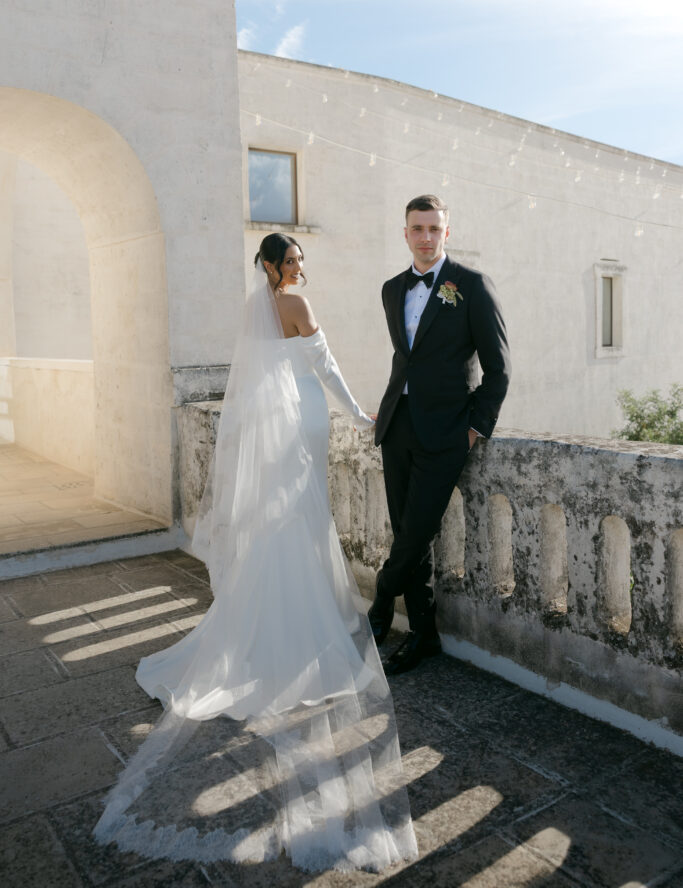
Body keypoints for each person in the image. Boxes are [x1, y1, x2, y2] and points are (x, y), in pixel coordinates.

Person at [94, 233, 417, 874]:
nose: (299, 267)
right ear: (273, 266)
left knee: (286, 526)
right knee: (302, 521)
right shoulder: (295, 303)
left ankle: (269, 624)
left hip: (279, 429)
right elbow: (326, 370)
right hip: (305, 423)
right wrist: (360, 414)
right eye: (290, 260)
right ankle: (299, 631)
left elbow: (251, 383)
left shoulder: (252, 308)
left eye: (299, 259)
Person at [369, 195, 511, 675]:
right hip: (396, 425)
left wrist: (473, 429)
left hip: (447, 432)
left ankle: (381, 599)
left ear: (446, 232)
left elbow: (498, 370)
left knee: (415, 532)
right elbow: (406, 360)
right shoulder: (392, 289)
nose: (426, 237)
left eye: (434, 228)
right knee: (410, 535)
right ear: (405, 233)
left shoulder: (471, 286)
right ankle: (424, 636)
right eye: (417, 229)